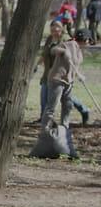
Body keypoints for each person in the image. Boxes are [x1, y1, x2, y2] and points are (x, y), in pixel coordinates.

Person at [39, 28, 92, 158]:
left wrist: (80, 76)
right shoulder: (68, 44)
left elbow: (74, 67)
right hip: (57, 80)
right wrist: (62, 51)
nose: (88, 43)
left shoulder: (79, 50)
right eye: (88, 41)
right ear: (85, 39)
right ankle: (45, 132)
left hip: (69, 82)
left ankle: (64, 129)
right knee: (51, 107)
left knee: (68, 106)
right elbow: (53, 50)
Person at [40, 20, 90, 124]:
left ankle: (67, 123)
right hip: (52, 75)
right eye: (52, 29)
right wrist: (37, 65)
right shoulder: (54, 40)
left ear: (61, 29)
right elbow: (49, 52)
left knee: (67, 103)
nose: (54, 31)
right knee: (49, 102)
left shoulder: (70, 43)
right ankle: (45, 124)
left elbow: (73, 64)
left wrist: (79, 75)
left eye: (56, 29)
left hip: (65, 78)